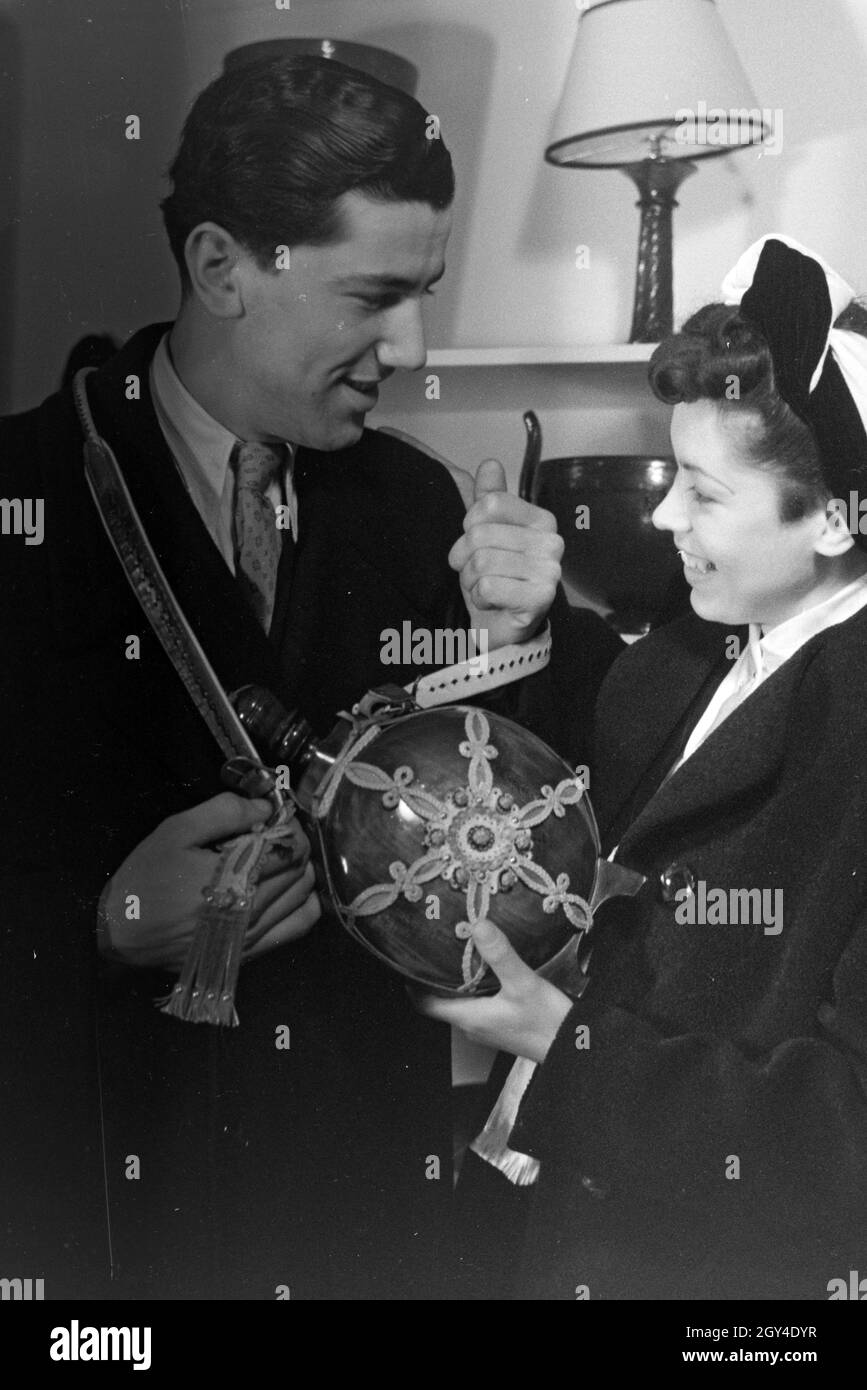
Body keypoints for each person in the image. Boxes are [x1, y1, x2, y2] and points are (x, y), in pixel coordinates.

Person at [0, 54, 620, 1301]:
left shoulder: (415, 504)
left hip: (358, 1202)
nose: (412, 345)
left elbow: (532, 822)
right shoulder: (26, 498)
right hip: (106, 1221)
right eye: (374, 296)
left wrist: (522, 634)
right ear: (223, 267)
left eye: (425, 293)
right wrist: (100, 929)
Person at [428, 234, 867, 1300]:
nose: (666, 517)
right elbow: (593, 764)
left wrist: (569, 1048)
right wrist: (513, 620)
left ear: (841, 519)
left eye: (707, 497)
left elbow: (845, 1137)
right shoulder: (702, 645)